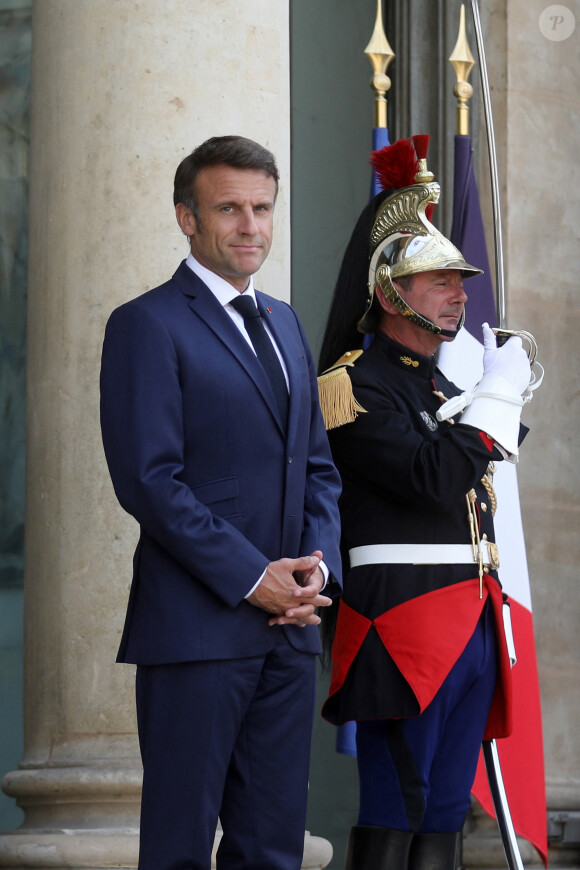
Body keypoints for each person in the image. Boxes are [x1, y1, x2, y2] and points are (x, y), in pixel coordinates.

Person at [99, 135, 342, 870]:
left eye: (262, 208)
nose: (250, 226)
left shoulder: (289, 325)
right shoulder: (147, 324)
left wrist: (314, 573)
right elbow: (149, 479)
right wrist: (252, 577)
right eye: (229, 208)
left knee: (272, 849)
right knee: (178, 849)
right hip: (197, 629)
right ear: (187, 217)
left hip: (291, 633)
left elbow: (320, 469)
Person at [317, 137, 533, 870]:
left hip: (469, 614)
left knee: (443, 814)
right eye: (439, 280)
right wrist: (496, 394)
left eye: (457, 279)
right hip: (402, 618)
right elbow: (434, 476)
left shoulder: (440, 387)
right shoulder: (355, 384)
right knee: (399, 805)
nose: (460, 293)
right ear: (390, 293)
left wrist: (487, 397)